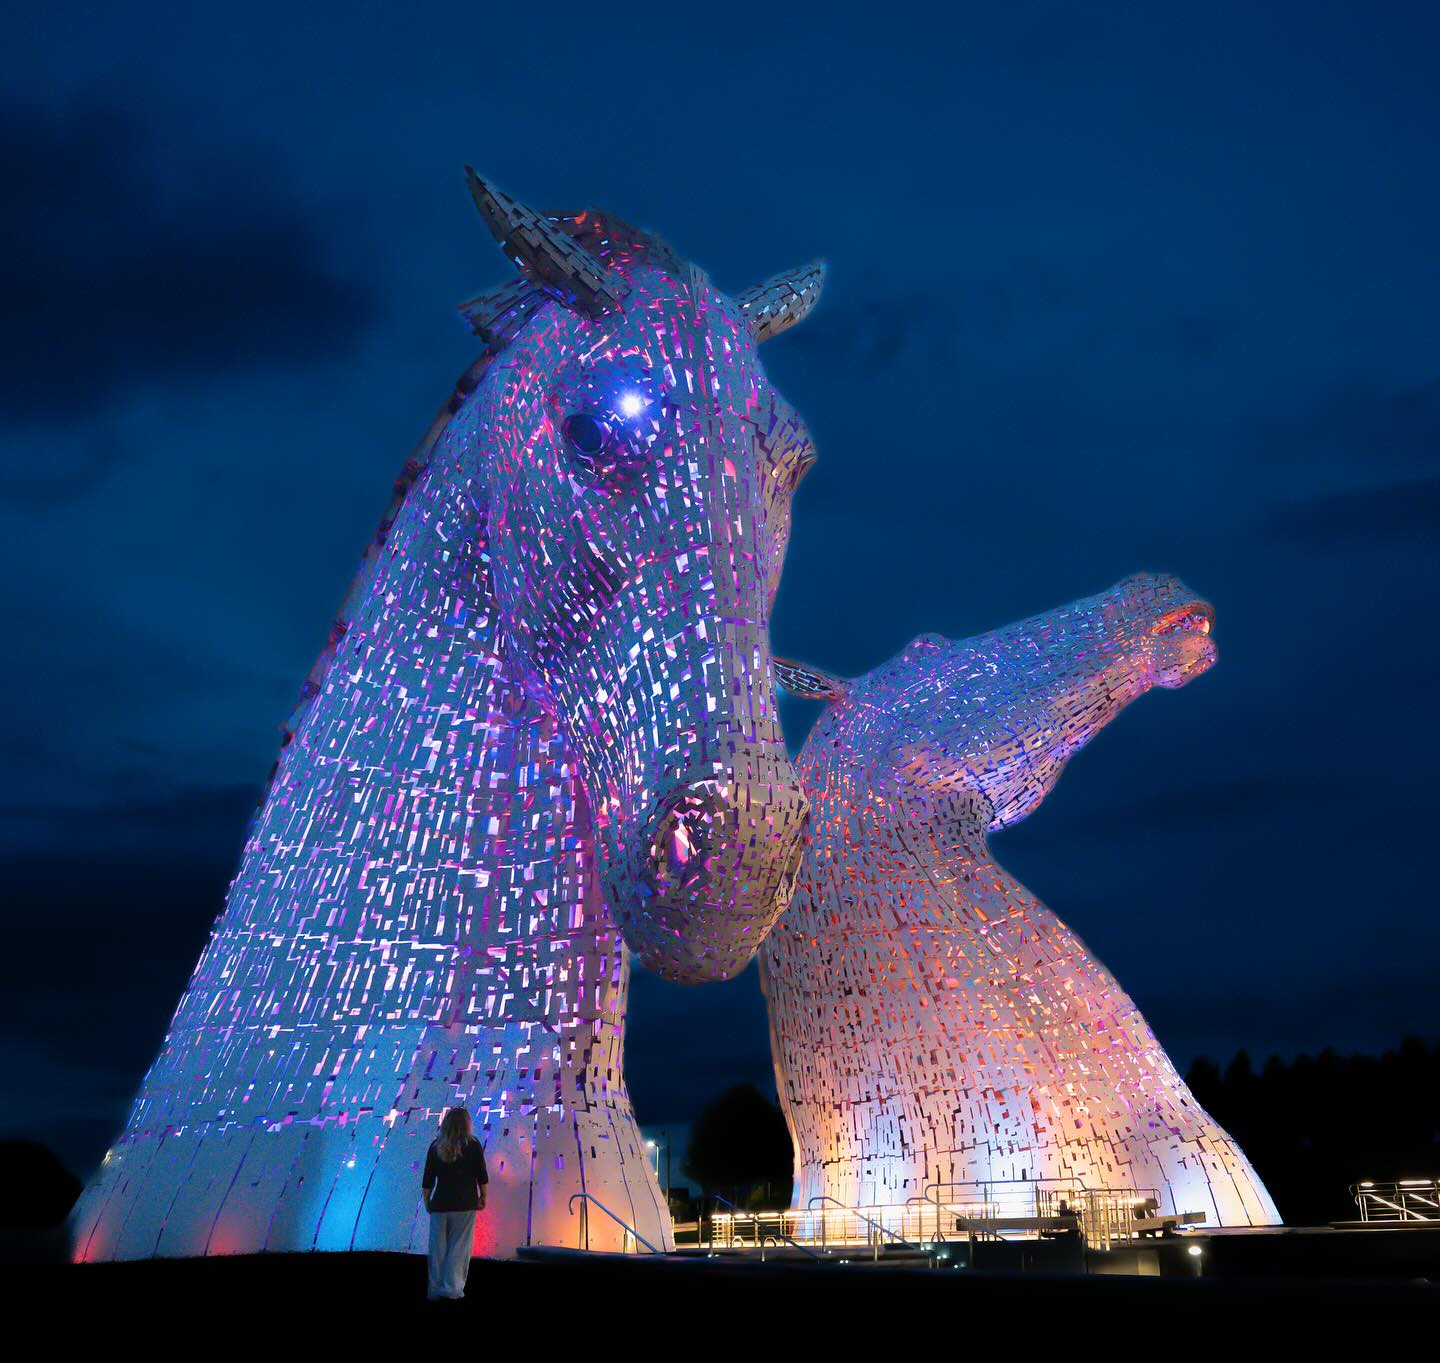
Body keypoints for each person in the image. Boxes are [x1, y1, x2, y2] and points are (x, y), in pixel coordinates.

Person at [422, 1108, 488, 1300]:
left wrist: (428, 1200)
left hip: (440, 1204)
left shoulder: (436, 1146)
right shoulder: (473, 1145)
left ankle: (435, 1289)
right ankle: (452, 1289)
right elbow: (481, 1176)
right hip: (465, 1204)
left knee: (438, 1249)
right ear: (467, 1124)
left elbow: (428, 1178)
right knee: (459, 1248)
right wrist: (483, 1197)